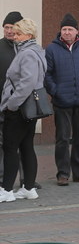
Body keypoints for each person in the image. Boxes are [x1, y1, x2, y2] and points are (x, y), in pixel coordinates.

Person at [44, 14, 79, 185]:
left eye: (70, 29)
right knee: (62, 138)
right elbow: (47, 74)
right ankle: (63, 173)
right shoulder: (52, 49)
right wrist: (55, 91)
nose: (67, 32)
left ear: (77, 31)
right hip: (62, 101)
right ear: (60, 31)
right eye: (64, 29)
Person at [0, 19, 46, 202]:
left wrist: (12, 104)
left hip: (20, 108)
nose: (15, 36)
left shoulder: (27, 53)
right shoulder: (36, 51)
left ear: (28, 34)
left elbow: (26, 83)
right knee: (27, 147)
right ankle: (28, 188)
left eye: (18, 33)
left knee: (11, 148)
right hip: (30, 109)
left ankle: (7, 190)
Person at [0, 11, 23, 186]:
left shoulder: (25, 47)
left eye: (12, 27)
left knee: (23, 144)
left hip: (22, 105)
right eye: (6, 27)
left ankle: (26, 180)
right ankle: (2, 179)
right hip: (3, 105)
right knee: (3, 144)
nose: (8, 31)